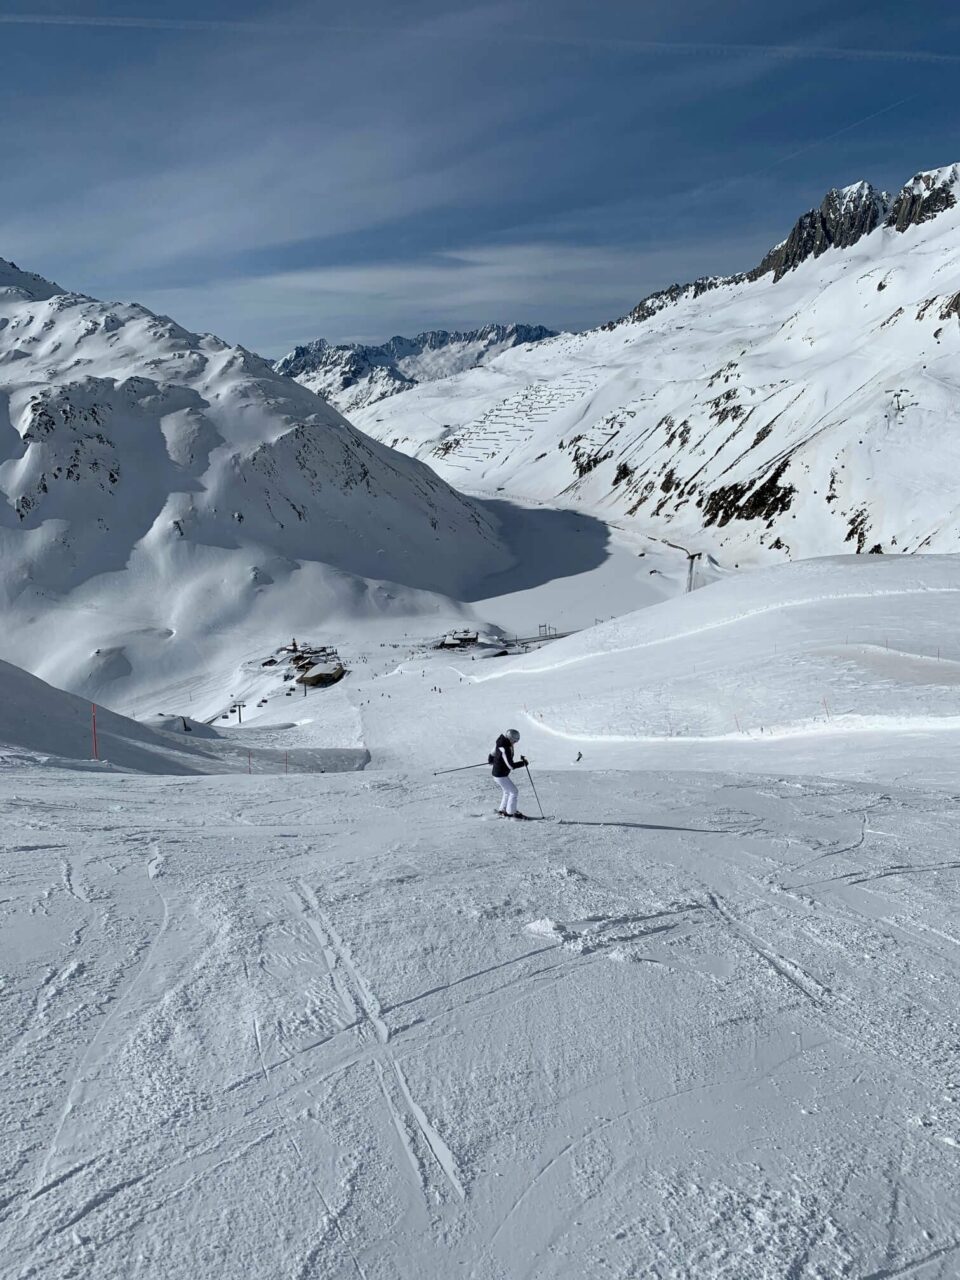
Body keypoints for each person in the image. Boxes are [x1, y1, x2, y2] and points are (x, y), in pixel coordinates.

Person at [491, 728, 528, 819]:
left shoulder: (501, 742)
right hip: (500, 775)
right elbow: (510, 766)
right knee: (514, 791)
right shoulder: (505, 747)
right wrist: (523, 763)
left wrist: (491, 759)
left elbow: (492, 752)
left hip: (499, 773)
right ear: (511, 738)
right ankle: (511, 813)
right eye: (515, 741)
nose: (515, 743)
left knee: (507, 791)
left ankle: (502, 810)